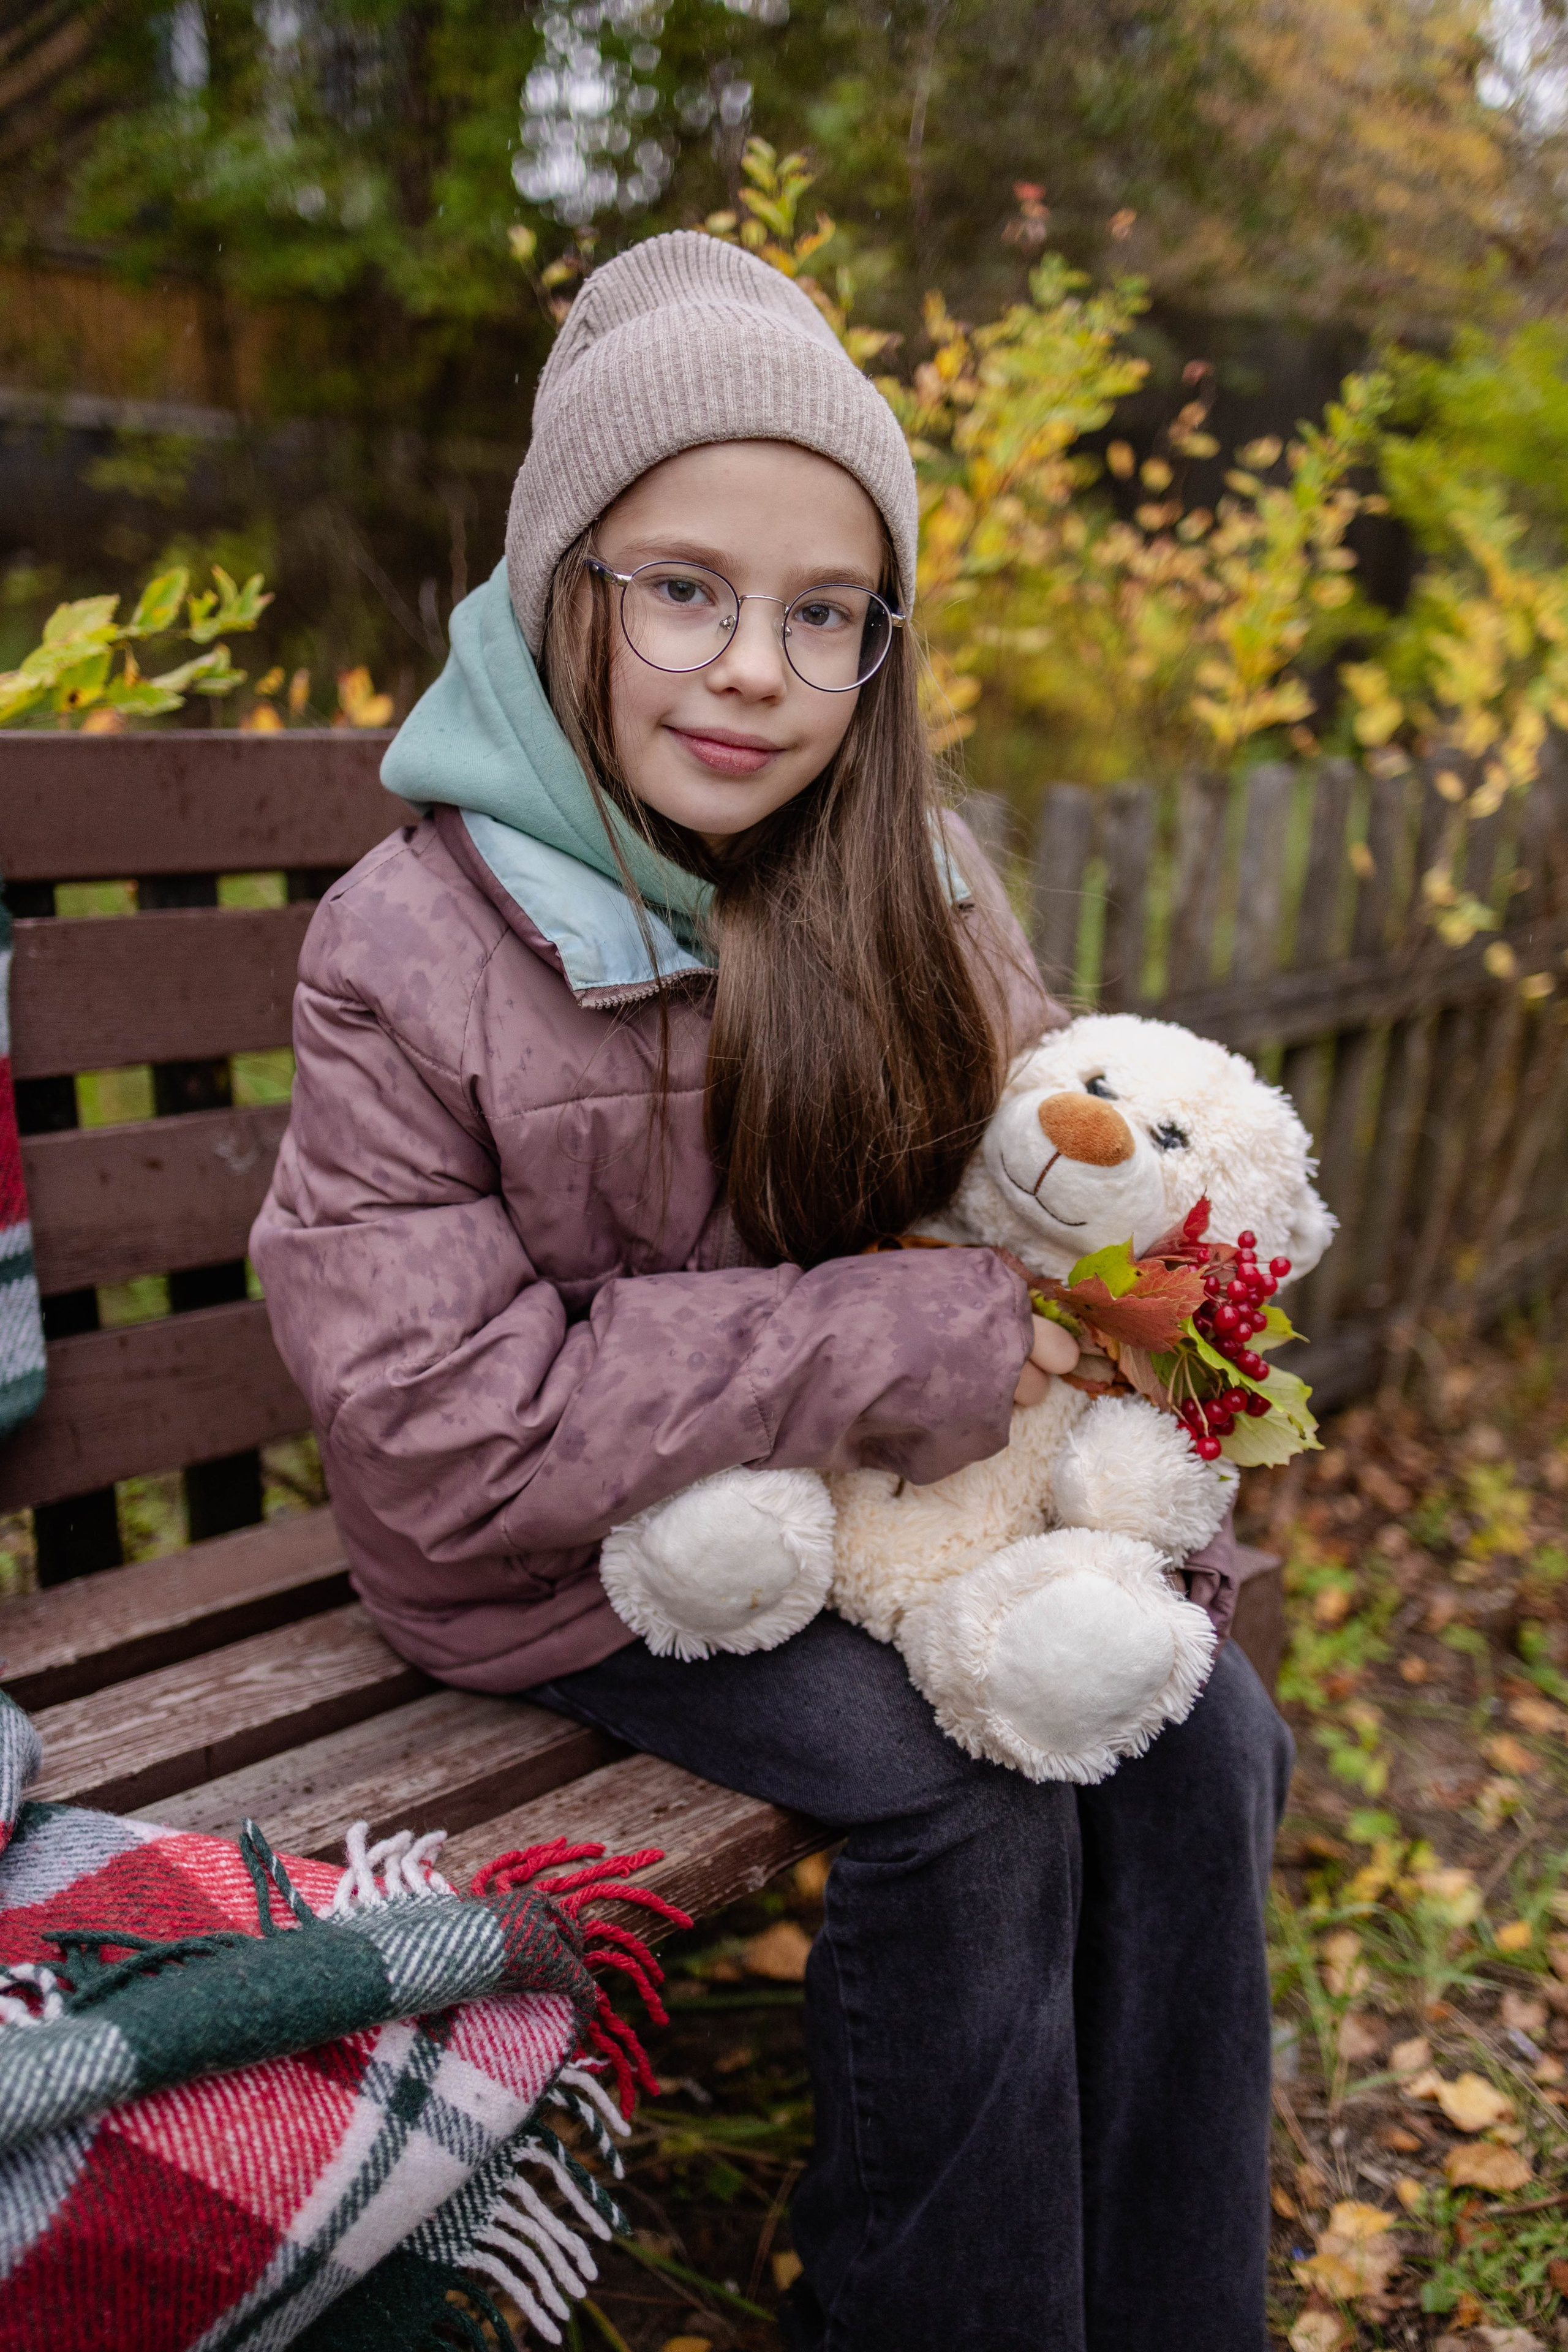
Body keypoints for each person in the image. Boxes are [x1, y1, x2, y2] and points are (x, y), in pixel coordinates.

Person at [251, 232, 1292, 2352]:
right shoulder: (413, 941)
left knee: (1203, 1731)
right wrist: (889, 1342)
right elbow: (444, 1424)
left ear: (879, 650)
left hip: (880, 1529)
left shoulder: (906, 873)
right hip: (563, 1562)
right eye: (688, 591)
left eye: (824, 616)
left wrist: (1152, 1379)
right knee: (961, 1791)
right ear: (569, 590)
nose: (751, 667)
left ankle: (1175, 2310)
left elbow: (1042, 1193)